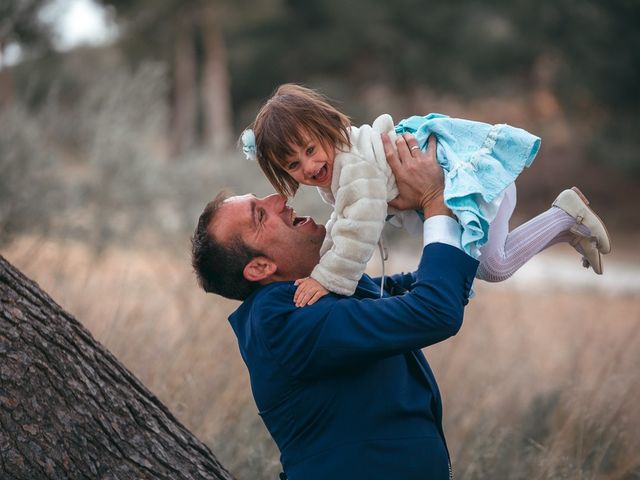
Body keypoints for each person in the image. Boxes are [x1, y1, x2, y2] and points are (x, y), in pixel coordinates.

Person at [191, 134, 478, 479]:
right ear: (260, 268)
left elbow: (426, 288)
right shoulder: (279, 320)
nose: (279, 199)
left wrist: (386, 197)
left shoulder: (319, 289)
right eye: (259, 215)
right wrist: (435, 199)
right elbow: (434, 310)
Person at [240, 84, 611, 307]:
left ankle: (564, 216)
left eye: (310, 149)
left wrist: (327, 278)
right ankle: (565, 228)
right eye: (292, 165)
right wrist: (321, 262)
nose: (308, 166)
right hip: (457, 186)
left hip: (466, 184)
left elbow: (359, 227)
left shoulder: (352, 166)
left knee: (493, 268)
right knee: (485, 267)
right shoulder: (337, 172)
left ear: (328, 128)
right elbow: (343, 220)